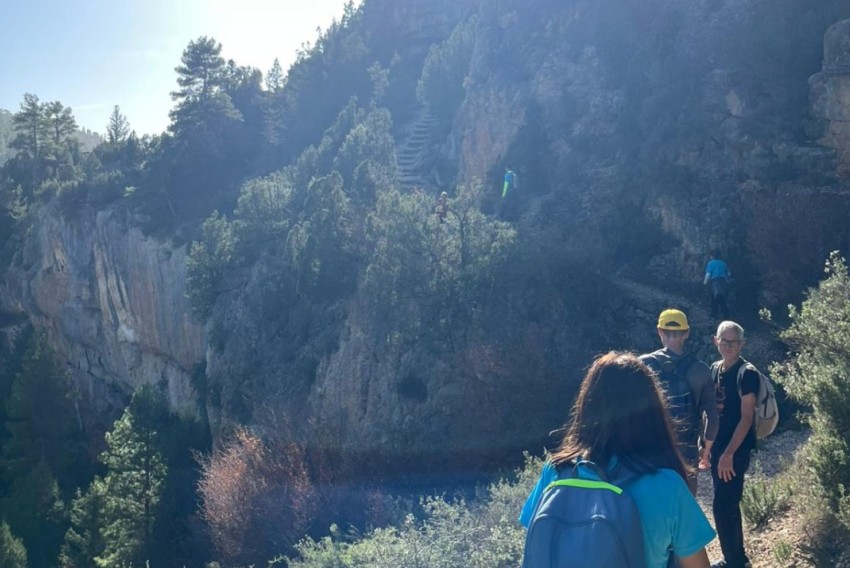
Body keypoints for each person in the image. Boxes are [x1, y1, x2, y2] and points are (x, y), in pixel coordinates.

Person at [520, 352, 715, 568]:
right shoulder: (667, 486)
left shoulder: (556, 472)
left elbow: (537, 545)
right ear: (652, 411)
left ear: (588, 405)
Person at [641, 309, 719, 495]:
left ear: (660, 331)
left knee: (652, 507)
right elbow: (713, 418)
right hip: (686, 452)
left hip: (649, 451)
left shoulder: (642, 365)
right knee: (685, 506)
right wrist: (706, 452)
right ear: (687, 333)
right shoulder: (701, 370)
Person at [709, 321, 758, 568]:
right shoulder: (716, 368)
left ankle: (736, 561)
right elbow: (711, 412)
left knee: (724, 504)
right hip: (719, 449)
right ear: (715, 341)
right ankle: (735, 558)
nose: (729, 346)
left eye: (734, 342)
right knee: (725, 504)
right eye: (724, 341)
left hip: (735, 451)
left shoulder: (746, 373)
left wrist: (728, 453)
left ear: (742, 344)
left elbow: (747, 418)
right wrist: (706, 447)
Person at [704, 255, 731, 319]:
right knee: (716, 297)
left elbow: (708, 274)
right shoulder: (723, 263)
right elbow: (729, 273)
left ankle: (724, 315)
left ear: (712, 256)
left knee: (718, 297)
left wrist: (705, 282)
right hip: (724, 282)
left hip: (716, 282)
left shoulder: (711, 263)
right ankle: (714, 313)